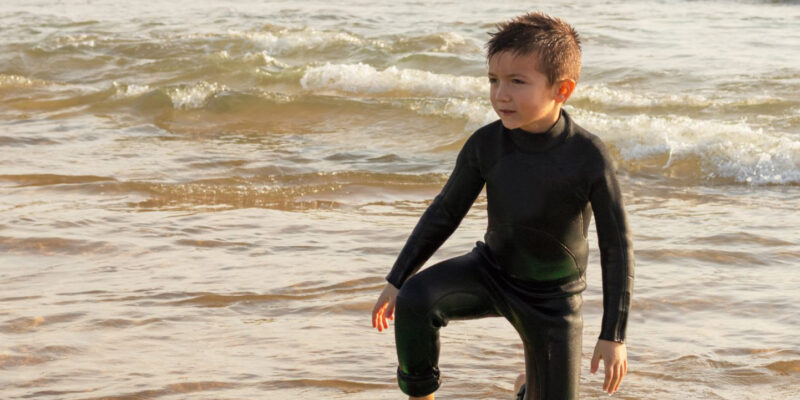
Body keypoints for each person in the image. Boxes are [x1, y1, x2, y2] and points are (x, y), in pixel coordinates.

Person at [371, 11, 634, 400]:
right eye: (493, 80)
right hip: (490, 274)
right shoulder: (486, 145)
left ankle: (527, 387)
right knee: (414, 298)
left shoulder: (588, 156)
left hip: (553, 301)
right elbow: (445, 212)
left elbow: (617, 248)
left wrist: (613, 334)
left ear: (562, 90)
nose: (500, 94)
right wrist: (397, 278)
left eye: (517, 82)